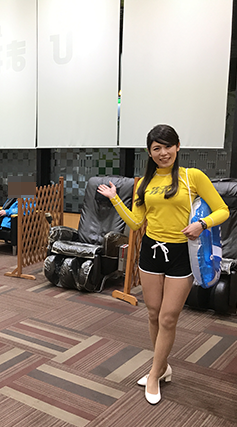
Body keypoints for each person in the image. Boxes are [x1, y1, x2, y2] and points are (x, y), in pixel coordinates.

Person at [97, 124, 229, 405]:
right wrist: (115, 199)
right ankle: (163, 366)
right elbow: (136, 223)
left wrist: (202, 224)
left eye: (168, 146)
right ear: (150, 152)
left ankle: (154, 374)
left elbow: (223, 210)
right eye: (157, 148)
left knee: (169, 317)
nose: (163, 152)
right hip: (151, 252)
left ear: (177, 147)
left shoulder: (192, 177)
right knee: (153, 314)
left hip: (182, 252)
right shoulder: (144, 183)